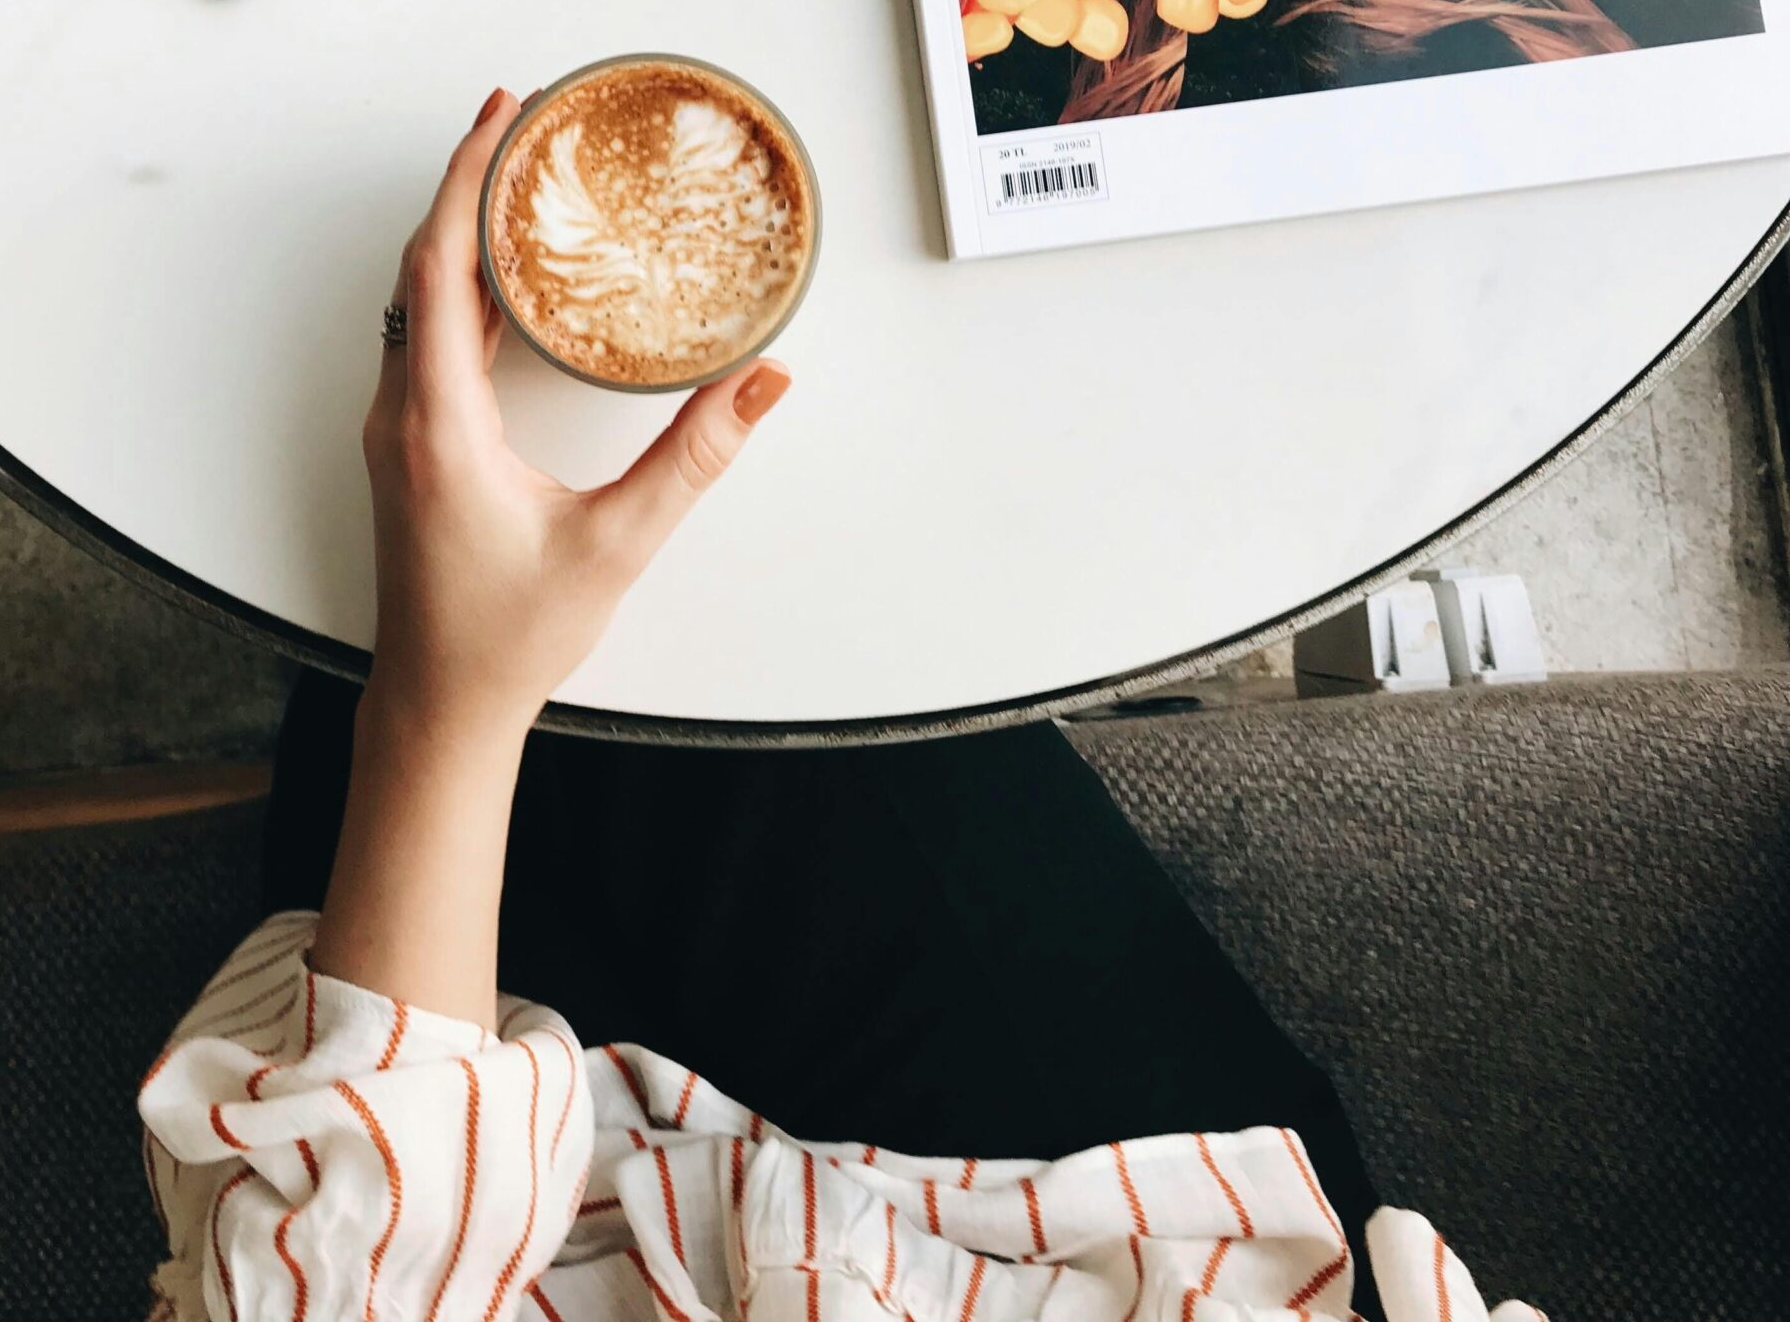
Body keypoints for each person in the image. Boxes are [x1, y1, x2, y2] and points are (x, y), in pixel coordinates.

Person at [136, 91, 1542, 1321]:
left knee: (392, 590)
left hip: (530, 1260)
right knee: (698, 567)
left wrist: (445, 708)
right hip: (1135, 1249)